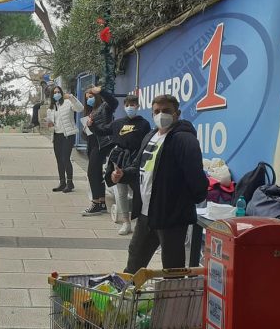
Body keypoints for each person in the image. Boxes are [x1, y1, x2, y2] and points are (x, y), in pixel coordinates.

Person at [109, 94, 208, 273]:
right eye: (157, 111)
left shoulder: (185, 139)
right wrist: (122, 174)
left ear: (177, 114)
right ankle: (129, 296)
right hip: (146, 215)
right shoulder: (150, 136)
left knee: (172, 267)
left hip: (171, 218)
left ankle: (172, 301)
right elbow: (139, 166)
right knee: (135, 259)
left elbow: (197, 180)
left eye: (166, 111)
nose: (161, 115)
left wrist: (180, 205)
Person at [92, 95, 150, 235]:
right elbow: (102, 131)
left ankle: (140, 222)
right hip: (119, 159)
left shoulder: (144, 124)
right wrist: (91, 125)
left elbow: (148, 142)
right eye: (128, 104)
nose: (131, 107)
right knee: (121, 192)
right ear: (124, 106)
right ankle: (126, 222)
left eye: (133, 104)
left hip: (136, 159)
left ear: (138, 106)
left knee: (139, 191)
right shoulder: (117, 123)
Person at [82, 86, 119, 216]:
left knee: (92, 173)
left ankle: (95, 203)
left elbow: (114, 102)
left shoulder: (104, 107)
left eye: (91, 97)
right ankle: (101, 203)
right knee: (96, 174)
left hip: (103, 144)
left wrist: (101, 91)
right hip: (92, 144)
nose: (89, 100)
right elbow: (85, 135)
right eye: (87, 98)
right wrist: (87, 127)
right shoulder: (89, 113)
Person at [46, 86, 84, 193]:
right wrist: (50, 125)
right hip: (57, 135)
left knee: (65, 158)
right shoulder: (51, 108)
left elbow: (80, 108)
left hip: (68, 134)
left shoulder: (68, 103)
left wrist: (71, 97)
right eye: (55, 92)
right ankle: (62, 182)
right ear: (52, 95)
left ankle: (70, 182)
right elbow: (51, 125)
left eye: (58, 92)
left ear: (62, 93)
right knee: (59, 159)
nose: (57, 94)